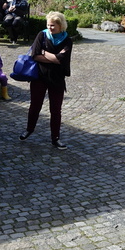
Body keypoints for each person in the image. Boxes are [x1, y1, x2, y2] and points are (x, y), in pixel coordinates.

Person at [19, 11, 73, 150]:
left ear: (61, 26)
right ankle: (29, 129)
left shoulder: (67, 40)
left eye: (53, 25)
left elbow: (60, 59)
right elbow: (35, 55)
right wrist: (53, 57)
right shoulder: (42, 35)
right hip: (40, 77)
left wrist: (44, 53)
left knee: (56, 110)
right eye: (48, 25)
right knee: (35, 105)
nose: (50, 28)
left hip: (57, 79)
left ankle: (55, 138)